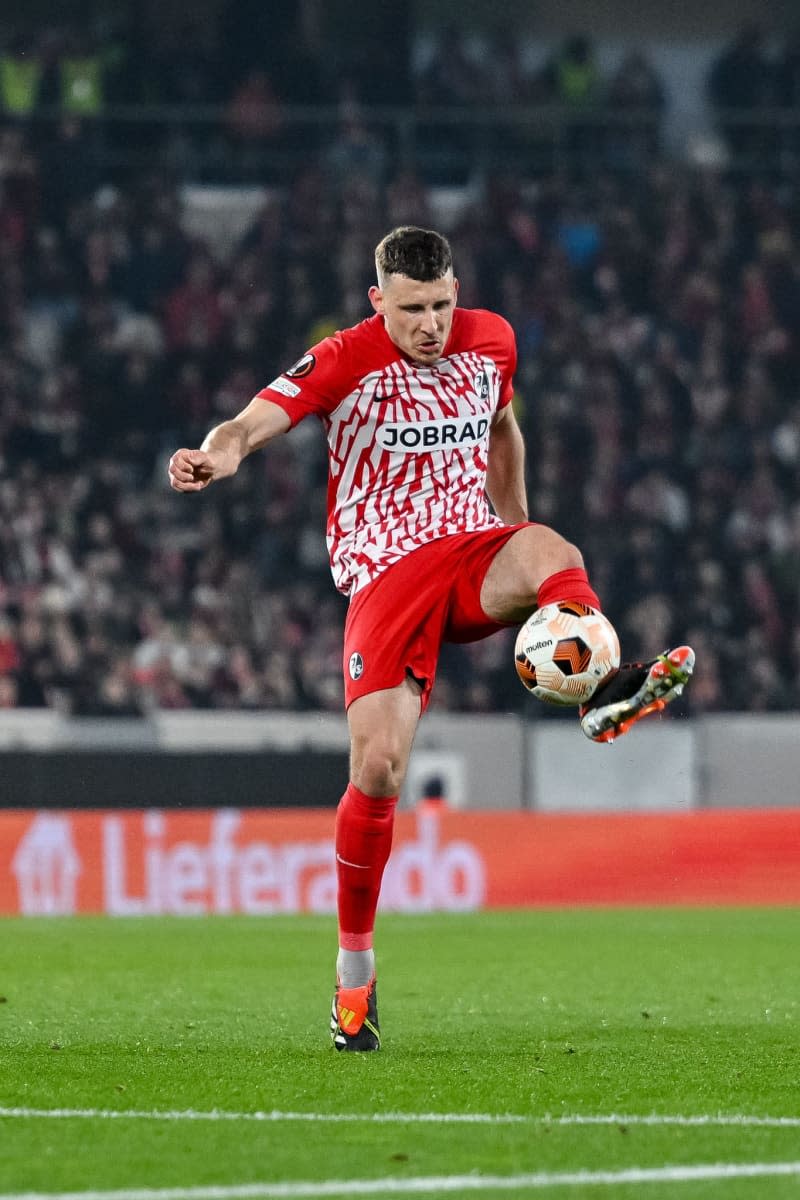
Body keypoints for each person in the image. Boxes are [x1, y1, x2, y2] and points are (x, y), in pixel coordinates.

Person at [168, 226, 694, 1051]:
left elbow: (504, 429)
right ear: (379, 301)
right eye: (412, 309)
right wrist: (216, 456)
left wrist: (511, 531)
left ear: (459, 291)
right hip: (384, 574)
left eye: (442, 305)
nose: (432, 325)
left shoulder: (493, 340)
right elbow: (251, 421)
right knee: (377, 770)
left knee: (556, 553)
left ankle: (602, 690)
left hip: (469, 548)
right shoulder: (343, 357)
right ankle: (353, 982)